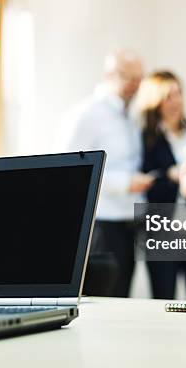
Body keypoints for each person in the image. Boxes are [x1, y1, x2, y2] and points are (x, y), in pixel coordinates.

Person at [61, 50, 154, 297]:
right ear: (109, 74)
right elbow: (71, 169)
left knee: (122, 299)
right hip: (102, 224)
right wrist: (124, 184)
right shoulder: (87, 114)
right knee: (104, 301)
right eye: (128, 77)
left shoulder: (130, 115)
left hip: (129, 223)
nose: (134, 85)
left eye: (139, 79)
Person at [134, 71, 186, 299]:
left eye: (179, 93)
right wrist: (170, 176)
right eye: (168, 96)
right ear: (155, 101)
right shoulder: (146, 140)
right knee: (163, 300)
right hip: (162, 234)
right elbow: (145, 184)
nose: (176, 101)